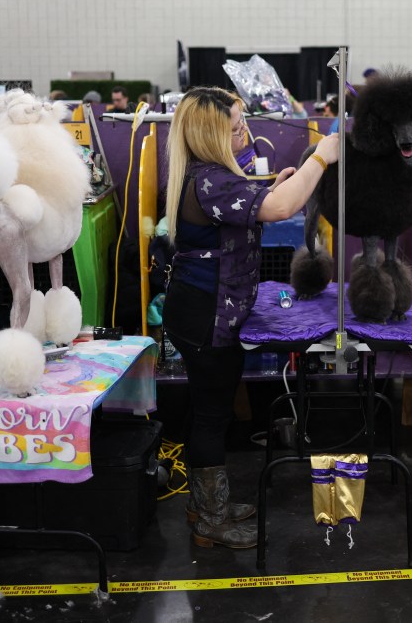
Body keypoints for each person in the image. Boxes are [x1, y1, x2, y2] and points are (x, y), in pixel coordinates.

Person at [162, 87, 339, 548]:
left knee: (209, 411)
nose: (246, 130)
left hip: (204, 311)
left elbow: (256, 202)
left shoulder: (213, 176)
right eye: (236, 124)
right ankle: (211, 522)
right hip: (206, 316)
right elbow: (280, 209)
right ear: (210, 134)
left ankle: (205, 505)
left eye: (243, 120)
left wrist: (269, 186)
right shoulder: (211, 180)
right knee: (211, 415)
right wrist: (320, 157)